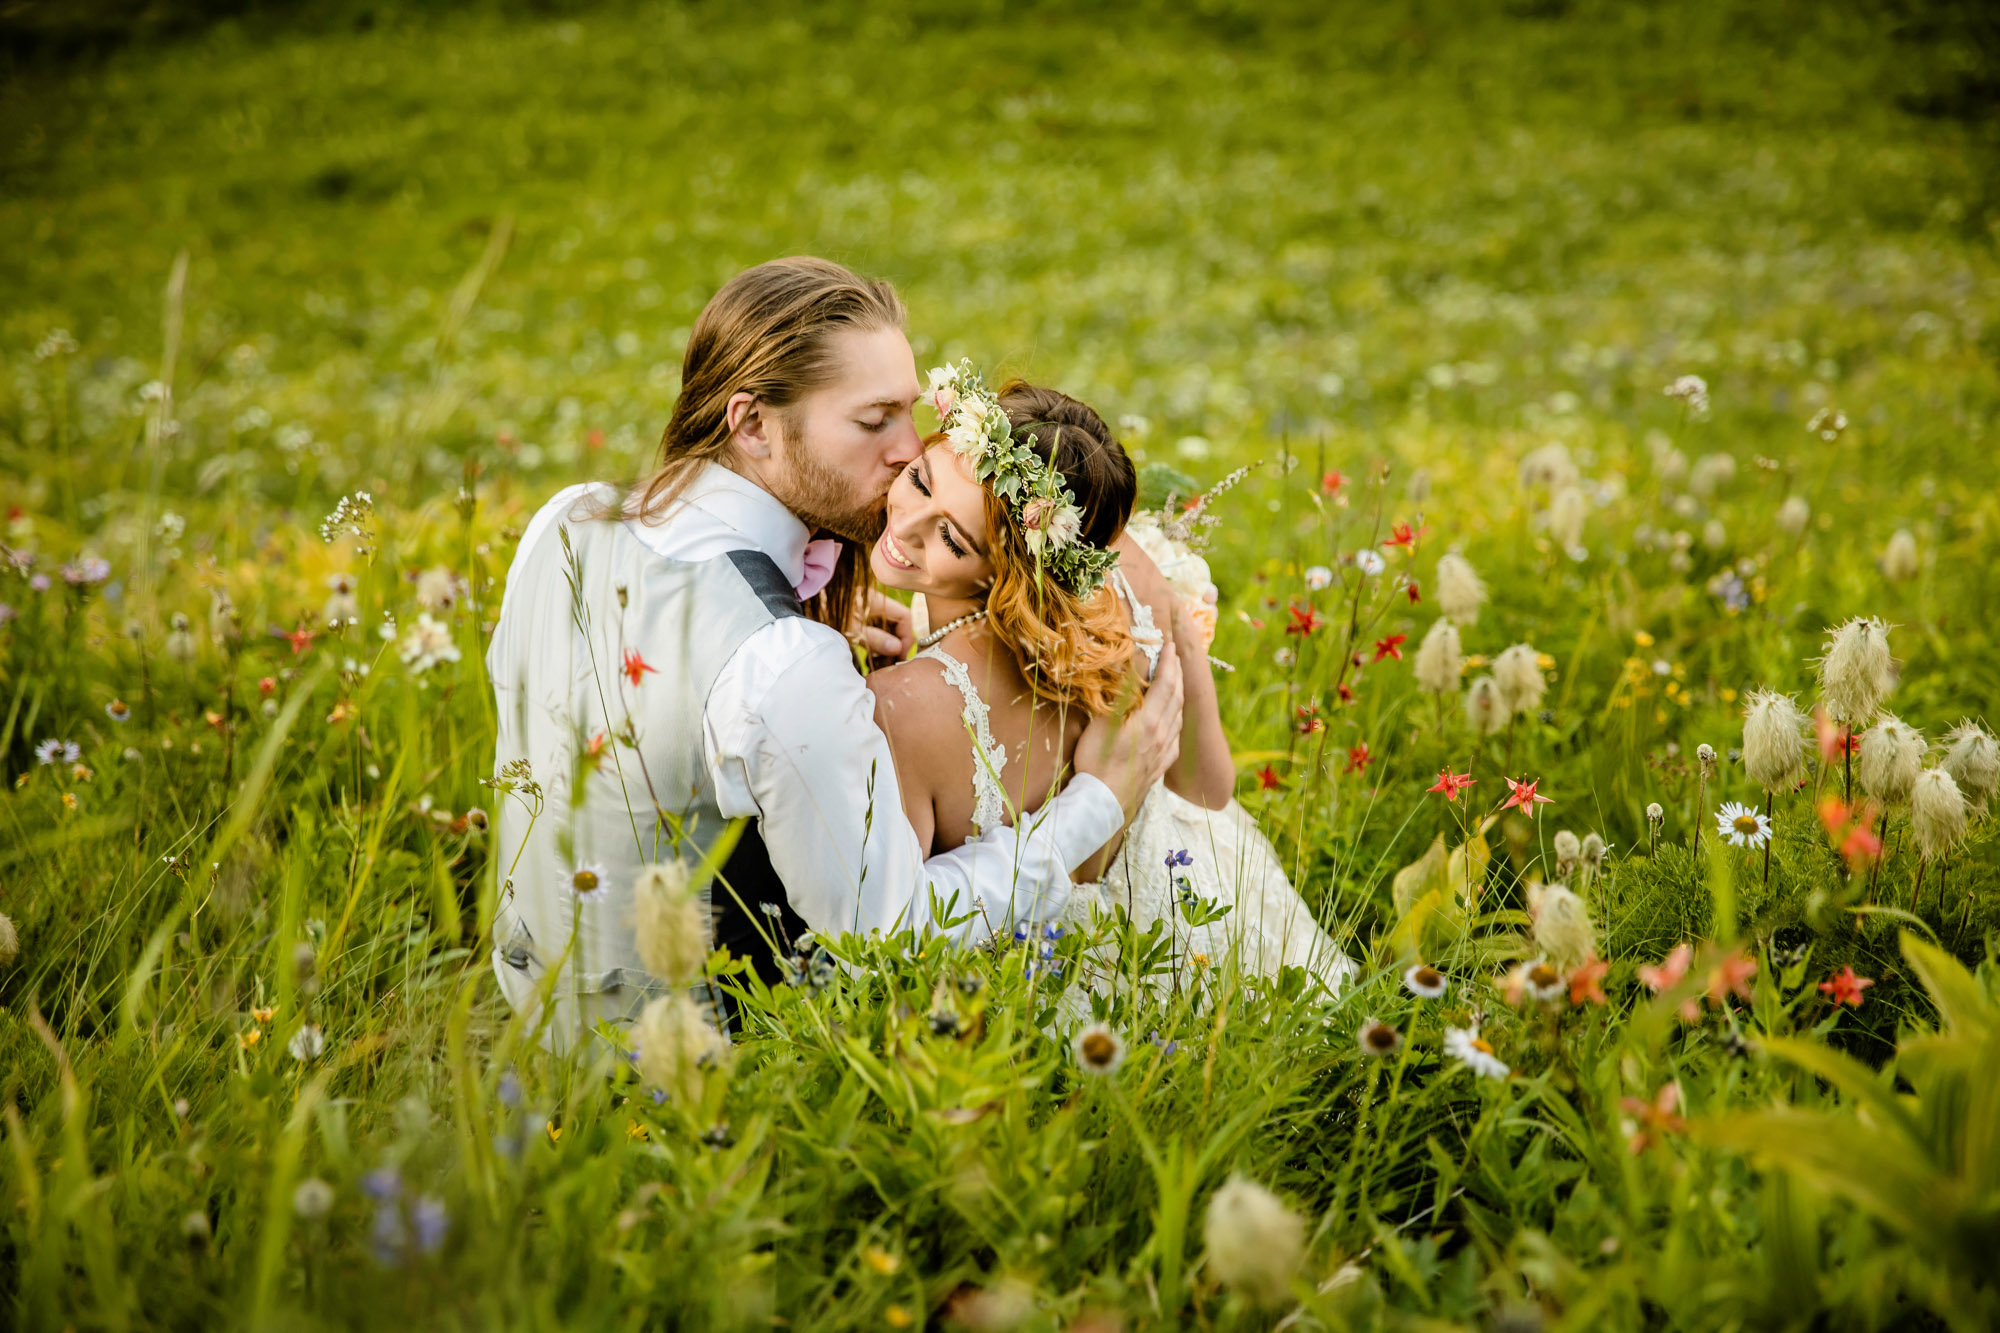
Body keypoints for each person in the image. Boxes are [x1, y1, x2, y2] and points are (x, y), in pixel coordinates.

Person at [485, 258, 1184, 1050]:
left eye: (908, 413)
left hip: (532, 993)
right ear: (751, 424)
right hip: (677, 1066)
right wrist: (1097, 797)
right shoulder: (782, 663)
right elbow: (886, 937)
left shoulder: (566, 519)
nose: (907, 449)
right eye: (872, 419)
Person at [864, 363, 1354, 996]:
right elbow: (1207, 787)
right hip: (1197, 909)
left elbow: (888, 938)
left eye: (952, 541)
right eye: (918, 480)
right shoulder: (1123, 564)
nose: (903, 526)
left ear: (1006, 573)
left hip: (1050, 980)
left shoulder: (903, 712)